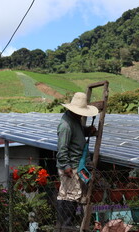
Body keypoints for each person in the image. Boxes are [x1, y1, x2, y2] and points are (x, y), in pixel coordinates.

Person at [56, 92, 98, 231]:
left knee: (66, 193)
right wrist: (66, 166)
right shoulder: (66, 125)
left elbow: (77, 136)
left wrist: (87, 131)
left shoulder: (74, 121)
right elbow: (62, 148)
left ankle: (64, 224)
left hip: (75, 163)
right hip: (71, 165)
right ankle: (66, 225)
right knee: (72, 195)